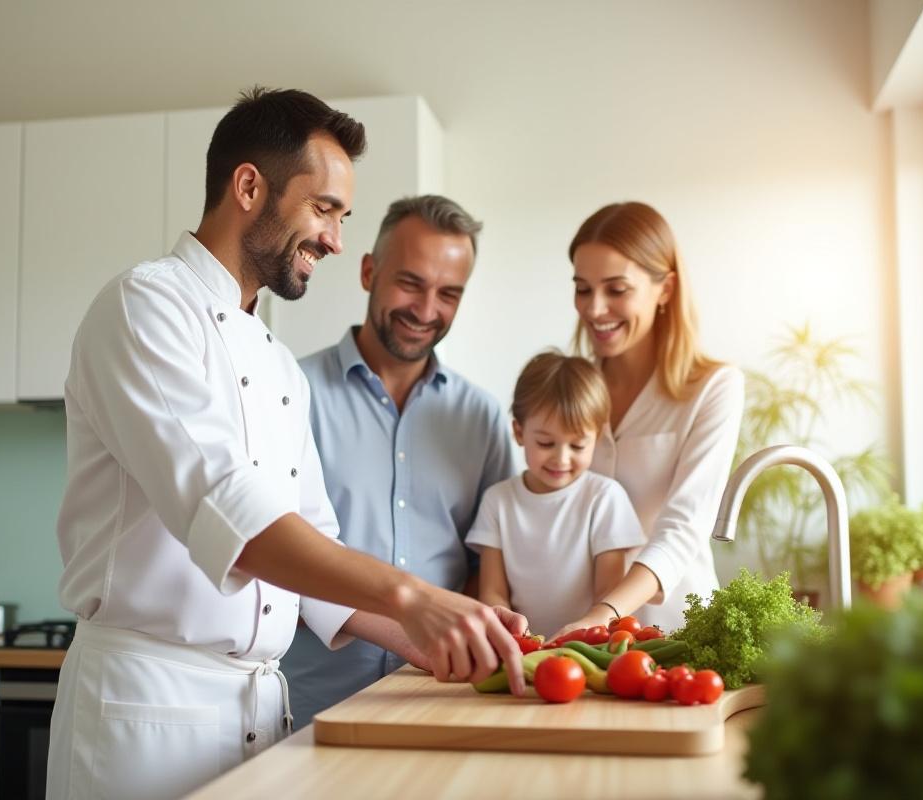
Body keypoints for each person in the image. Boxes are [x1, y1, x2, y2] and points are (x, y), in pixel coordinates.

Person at [47, 88, 525, 800]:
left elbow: (311, 554)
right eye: (324, 209)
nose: (335, 238)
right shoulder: (144, 308)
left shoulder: (274, 362)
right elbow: (230, 514)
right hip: (147, 709)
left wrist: (422, 637)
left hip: (258, 714)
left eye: (342, 217)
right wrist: (413, 593)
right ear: (249, 187)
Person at [284, 195, 516, 729]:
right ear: (369, 271)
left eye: (449, 293)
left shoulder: (480, 417)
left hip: (438, 704)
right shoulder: (291, 391)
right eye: (410, 283)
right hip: (310, 710)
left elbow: (491, 561)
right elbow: (275, 552)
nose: (426, 310)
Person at [550, 201, 745, 639]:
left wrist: (603, 613)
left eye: (616, 289)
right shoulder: (573, 392)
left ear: (666, 289)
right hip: (577, 635)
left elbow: (683, 528)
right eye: (583, 288)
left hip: (676, 635)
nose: (595, 308)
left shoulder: (713, 388)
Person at [466, 351, 643, 637]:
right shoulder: (497, 501)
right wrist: (514, 637)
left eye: (577, 446)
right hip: (522, 649)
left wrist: (580, 635)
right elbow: (493, 592)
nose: (561, 459)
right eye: (546, 443)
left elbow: (608, 595)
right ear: (519, 432)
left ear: (596, 438)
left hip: (589, 648)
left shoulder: (604, 498)